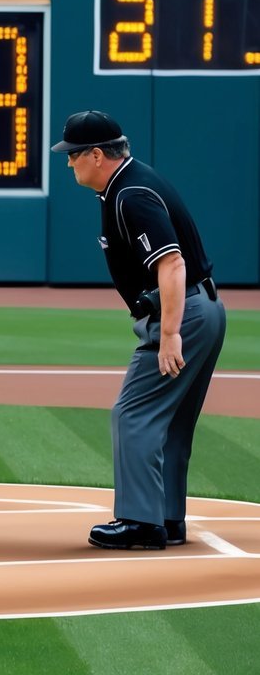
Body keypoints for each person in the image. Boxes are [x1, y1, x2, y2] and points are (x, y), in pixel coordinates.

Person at [52, 110, 226, 550]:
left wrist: (169, 334)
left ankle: (140, 522)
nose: (69, 163)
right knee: (170, 423)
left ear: (96, 155)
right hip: (199, 308)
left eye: (73, 156)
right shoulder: (127, 186)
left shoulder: (131, 194)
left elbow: (171, 262)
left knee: (133, 414)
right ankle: (167, 518)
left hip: (182, 312)